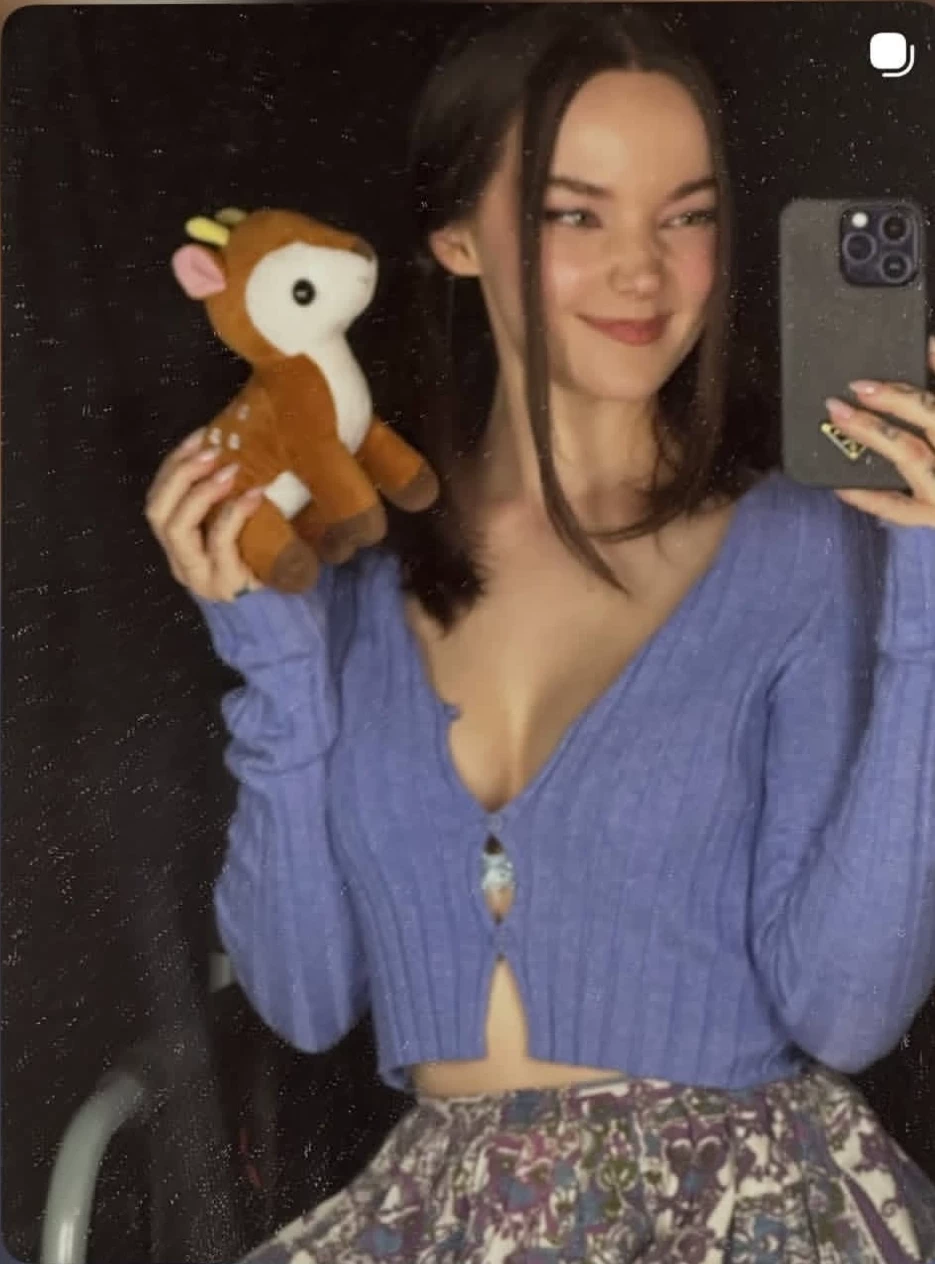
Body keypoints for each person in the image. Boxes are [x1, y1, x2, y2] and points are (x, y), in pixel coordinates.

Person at [145, 6, 935, 1260]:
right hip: (444, 1218)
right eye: (576, 215)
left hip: (742, 1208)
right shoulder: (353, 584)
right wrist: (269, 653)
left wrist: (927, 597)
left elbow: (844, 1011)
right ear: (454, 237)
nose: (643, 271)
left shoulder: (804, 544)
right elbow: (302, 999)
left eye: (686, 216)